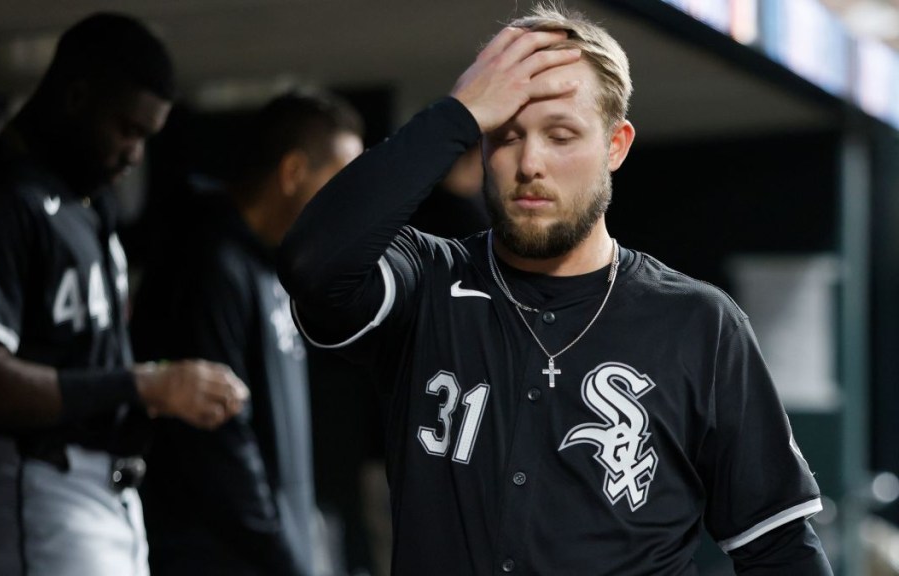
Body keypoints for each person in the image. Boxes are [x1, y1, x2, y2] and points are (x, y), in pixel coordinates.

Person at [277, 5, 833, 575]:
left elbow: (778, 546)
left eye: (561, 135)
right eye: (505, 135)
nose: (530, 164)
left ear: (616, 146)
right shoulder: (427, 279)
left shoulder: (698, 323)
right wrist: (459, 113)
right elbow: (313, 264)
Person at [0, 13, 248, 576]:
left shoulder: (90, 203)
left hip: (104, 495)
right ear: (76, 95)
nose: (135, 154)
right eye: (128, 129)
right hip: (34, 484)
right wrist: (145, 384)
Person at [130, 90, 364, 575]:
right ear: (293, 172)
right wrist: (283, 558)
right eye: (341, 184)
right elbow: (218, 446)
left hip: (269, 550)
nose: (351, 208)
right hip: (216, 557)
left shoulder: (271, 263)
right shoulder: (209, 261)